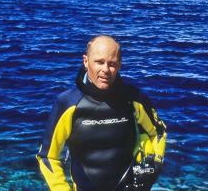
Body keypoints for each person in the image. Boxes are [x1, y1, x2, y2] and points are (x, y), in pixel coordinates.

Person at [36, 35, 166, 191]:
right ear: (86, 61)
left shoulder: (134, 99)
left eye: (112, 64)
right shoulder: (68, 104)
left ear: (119, 65)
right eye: (99, 62)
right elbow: (48, 157)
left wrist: (154, 164)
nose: (105, 70)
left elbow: (158, 132)